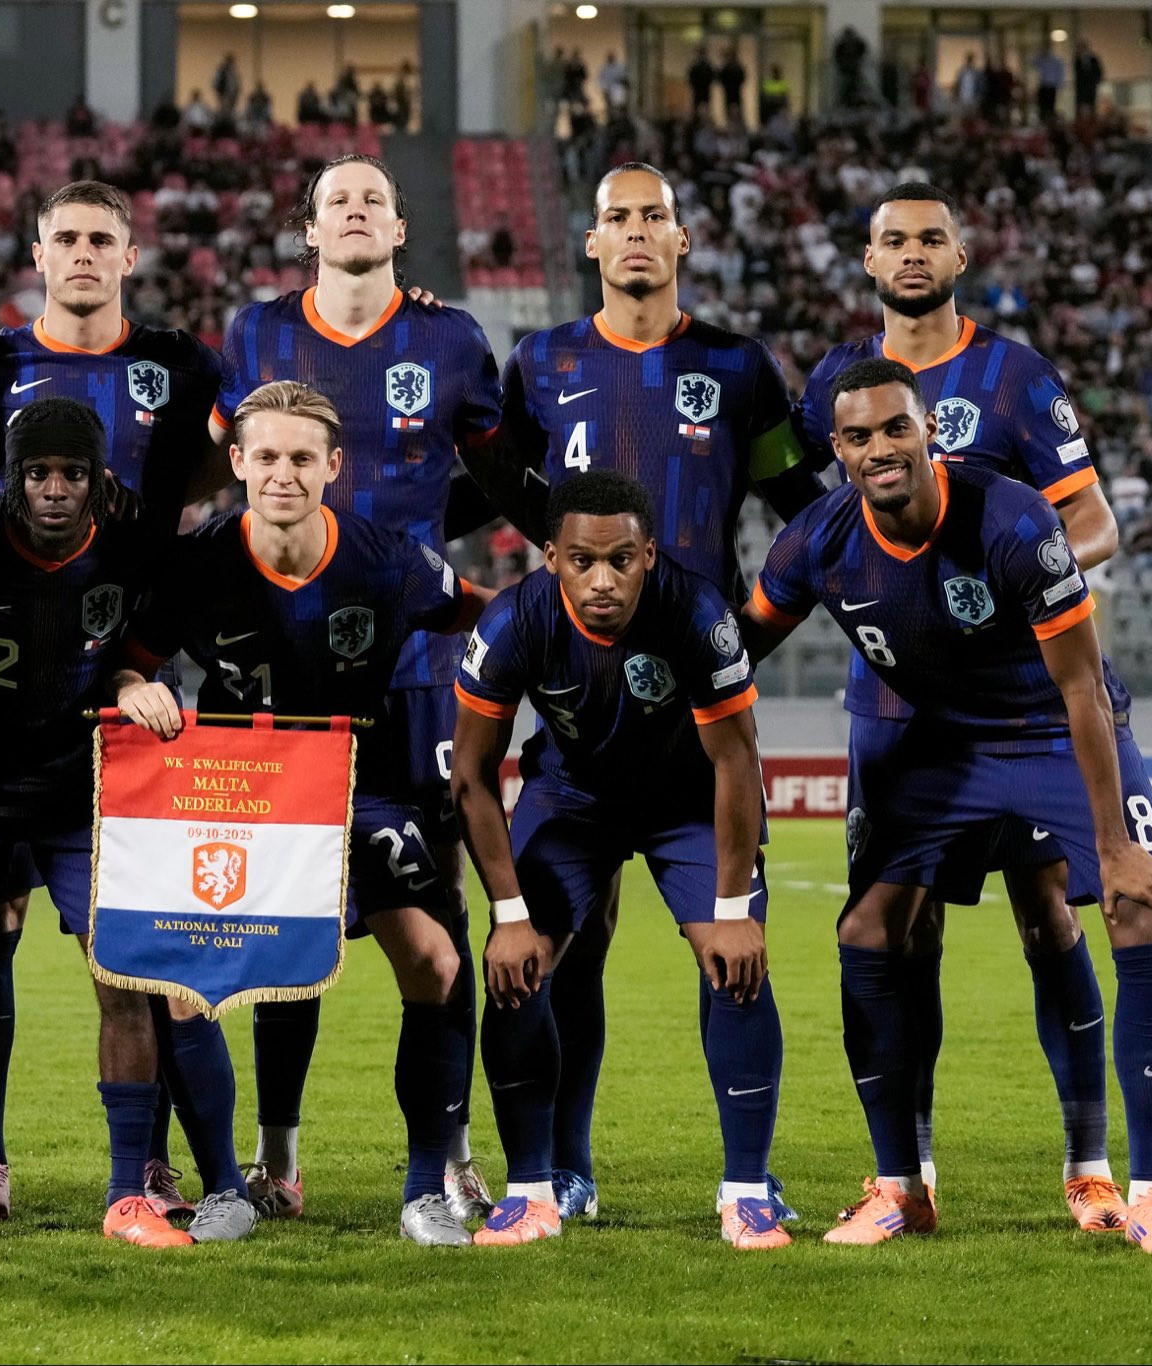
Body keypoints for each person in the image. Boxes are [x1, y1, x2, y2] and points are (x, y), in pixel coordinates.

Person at [743, 357, 1152, 1255]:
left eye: (896, 428)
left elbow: (1082, 690)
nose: (881, 448)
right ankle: (900, 1188)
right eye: (859, 437)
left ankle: (1149, 1194)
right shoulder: (816, 541)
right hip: (938, 747)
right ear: (837, 450)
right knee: (867, 930)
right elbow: (737, 646)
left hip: (1049, 729)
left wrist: (1112, 843)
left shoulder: (1013, 519)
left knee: (1136, 907)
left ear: (930, 431)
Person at [491, 160, 825, 1224]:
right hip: (575, 729)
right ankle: (562, 1169)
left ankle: (748, 1183)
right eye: (615, 218)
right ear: (590, 242)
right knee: (559, 953)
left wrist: (747, 629)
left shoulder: (739, 367)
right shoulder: (540, 364)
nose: (635, 231)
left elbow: (808, 511)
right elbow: (499, 495)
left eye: (655, 216)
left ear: (681, 240)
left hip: (696, 732)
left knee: (733, 953)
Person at [794, 181, 1122, 1216]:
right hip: (892, 707)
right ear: (866, 260)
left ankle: (1087, 1166)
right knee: (900, 928)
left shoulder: (1013, 376)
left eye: (930, 237)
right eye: (892, 239)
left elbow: (1094, 523)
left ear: (959, 254)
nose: (910, 253)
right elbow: (810, 511)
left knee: (1045, 913)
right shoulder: (834, 382)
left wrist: (1009, 586)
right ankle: (909, 1175)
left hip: (1007, 699)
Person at [208, 154, 510, 1224]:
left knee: (438, 919)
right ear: (309, 229)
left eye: (373, 198)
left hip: (416, 672)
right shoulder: (253, 334)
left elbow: (499, 474)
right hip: (283, 679)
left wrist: (420, 553)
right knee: (286, 926)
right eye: (336, 199)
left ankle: (451, 1155)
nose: (354, 211)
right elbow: (224, 465)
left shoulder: (451, 338)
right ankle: (275, 1157)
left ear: (398, 228)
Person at [121, 380, 492, 1244]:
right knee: (185, 992)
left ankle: (424, 1192)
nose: (282, 474)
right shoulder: (197, 562)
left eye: (300, 458)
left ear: (333, 466)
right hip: (243, 799)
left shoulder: (387, 560)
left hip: (360, 787)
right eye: (265, 457)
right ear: (237, 463)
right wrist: (135, 686)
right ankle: (230, 1188)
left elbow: (482, 613)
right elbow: (131, 658)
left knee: (437, 962)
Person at [0, 179, 228, 1220]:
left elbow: (236, 453)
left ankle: (152, 1166)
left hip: (132, 680)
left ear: (130, 255)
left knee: (140, 945)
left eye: (104, 238)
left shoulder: (183, 364)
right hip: (8, 689)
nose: (86, 254)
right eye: (68, 238)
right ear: (38, 253)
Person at [0, 397, 253, 1248]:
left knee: (123, 976)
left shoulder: (130, 543)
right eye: (37, 474)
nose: (54, 490)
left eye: (73, 474)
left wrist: (135, 682)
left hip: (79, 794)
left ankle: (129, 1194)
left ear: (98, 481)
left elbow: (171, 622)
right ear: (11, 479)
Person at [454, 471, 784, 1249]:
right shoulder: (514, 622)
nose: (601, 580)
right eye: (582, 561)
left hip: (687, 800)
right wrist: (508, 914)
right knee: (517, 968)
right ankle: (534, 1190)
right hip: (572, 798)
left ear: (649, 555)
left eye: (621, 561)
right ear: (551, 558)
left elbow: (736, 762)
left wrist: (732, 912)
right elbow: (470, 774)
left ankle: (747, 1190)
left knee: (735, 963)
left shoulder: (698, 614)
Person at [716, 47, 747, 125]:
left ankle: (730, 123)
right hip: (736, 92)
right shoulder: (738, 67)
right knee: (737, 109)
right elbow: (743, 78)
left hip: (728, 92)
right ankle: (738, 123)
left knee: (729, 110)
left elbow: (719, 78)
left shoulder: (726, 68)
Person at [1034, 46, 1066, 123]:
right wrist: (1039, 55)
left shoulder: (1056, 61)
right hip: (1043, 85)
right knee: (1042, 106)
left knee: (1050, 106)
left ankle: (1050, 121)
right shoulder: (1041, 60)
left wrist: (1059, 85)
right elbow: (1033, 63)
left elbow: (1060, 73)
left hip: (1051, 86)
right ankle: (1042, 120)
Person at [1074, 41, 1104, 117]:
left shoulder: (1093, 59)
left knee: (1091, 104)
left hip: (1091, 87)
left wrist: (1095, 82)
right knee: (1081, 105)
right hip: (1081, 88)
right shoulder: (1077, 60)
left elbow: (1099, 72)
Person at [687, 48, 715, 118]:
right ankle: (705, 118)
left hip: (697, 90)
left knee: (696, 107)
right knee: (706, 106)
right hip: (705, 89)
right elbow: (713, 77)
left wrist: (693, 85)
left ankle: (696, 119)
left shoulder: (695, 66)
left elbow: (690, 78)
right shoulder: (708, 66)